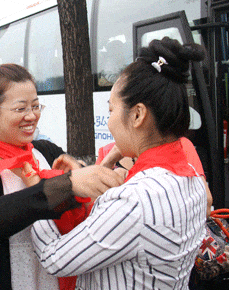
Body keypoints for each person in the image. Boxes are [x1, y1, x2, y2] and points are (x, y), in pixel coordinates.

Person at [30, 37, 208, 289]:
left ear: (137, 115)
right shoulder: (190, 177)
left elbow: (54, 259)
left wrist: (38, 192)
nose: (109, 121)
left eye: (111, 110)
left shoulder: (135, 201)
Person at [0, 63, 123, 290]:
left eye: (35, 106)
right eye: (20, 109)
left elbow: (79, 197)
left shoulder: (45, 151)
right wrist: (64, 186)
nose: (31, 116)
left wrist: (96, 169)